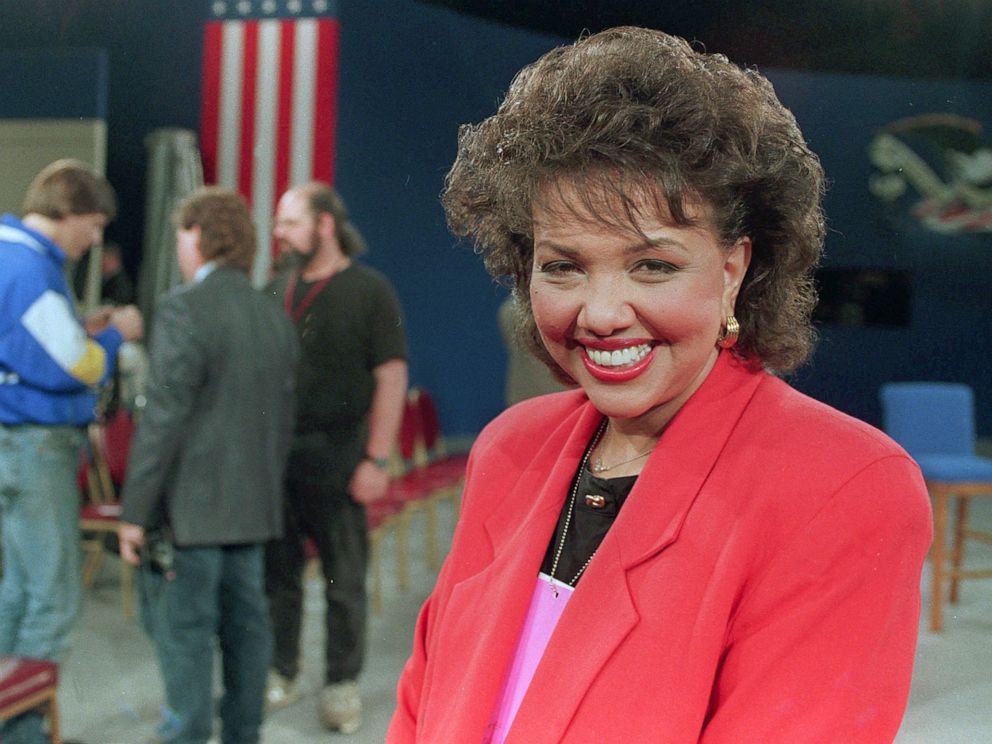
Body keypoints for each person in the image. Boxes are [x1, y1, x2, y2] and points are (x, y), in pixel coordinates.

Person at [389, 27, 932, 743]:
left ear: (734, 268)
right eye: (564, 266)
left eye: (652, 265)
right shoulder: (508, 451)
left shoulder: (845, 487)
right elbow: (420, 706)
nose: (603, 313)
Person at [118, 188, 298, 744]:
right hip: (254, 511)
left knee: (184, 638)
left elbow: (163, 420)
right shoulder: (275, 316)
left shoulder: (182, 309)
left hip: (189, 517)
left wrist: (134, 512)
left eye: (180, 235)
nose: (178, 247)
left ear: (199, 235)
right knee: (247, 637)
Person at [0, 159, 143, 744]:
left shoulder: (12, 256)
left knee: (18, 586)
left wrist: (82, 325)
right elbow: (73, 366)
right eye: (95, 223)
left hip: (14, 443)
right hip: (36, 447)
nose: (96, 238)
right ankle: (25, 729)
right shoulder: (29, 267)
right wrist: (115, 336)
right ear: (67, 212)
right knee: (55, 598)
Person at [265, 183, 408, 733]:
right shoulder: (274, 289)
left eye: (289, 222)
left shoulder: (370, 291)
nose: (278, 233)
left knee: (343, 582)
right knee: (278, 577)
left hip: (342, 456)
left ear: (325, 225)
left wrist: (377, 458)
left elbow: (392, 376)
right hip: (279, 461)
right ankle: (283, 668)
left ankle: (341, 685)